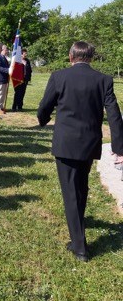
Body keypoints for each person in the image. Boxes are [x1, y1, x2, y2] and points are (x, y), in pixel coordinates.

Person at [37, 41, 123, 262]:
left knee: (71, 193)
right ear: (90, 58)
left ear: (70, 56)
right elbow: (114, 114)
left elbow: (45, 106)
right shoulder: (103, 80)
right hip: (89, 143)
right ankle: (79, 228)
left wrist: (43, 119)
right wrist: (118, 147)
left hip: (66, 143)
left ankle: (80, 247)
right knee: (81, 187)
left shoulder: (59, 76)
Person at [0, 45, 10, 113]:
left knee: (3, 93)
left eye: (7, 50)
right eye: (5, 50)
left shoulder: (4, 58)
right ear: (2, 50)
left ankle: (1, 106)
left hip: (5, 78)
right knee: (0, 93)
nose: (6, 51)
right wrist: (8, 70)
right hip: (0, 78)